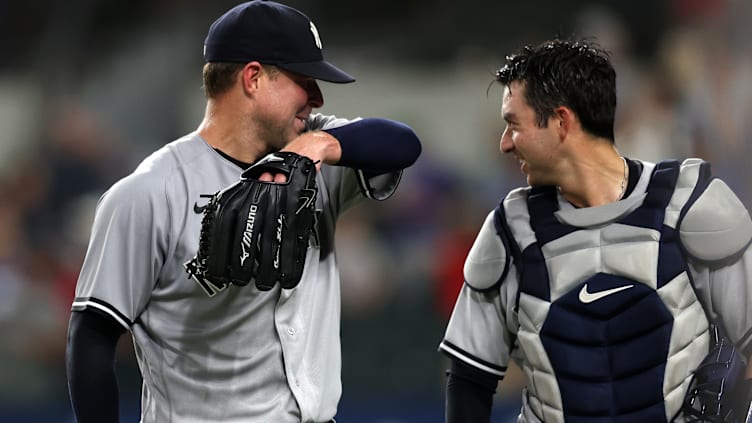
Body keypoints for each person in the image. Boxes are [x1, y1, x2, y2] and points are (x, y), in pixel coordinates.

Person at [65, 1, 421, 422]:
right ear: (253, 78)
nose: (316, 97)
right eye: (303, 79)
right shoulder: (150, 192)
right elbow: (92, 338)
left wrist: (322, 145)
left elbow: (403, 144)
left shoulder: (316, 157)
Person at [438, 38, 752, 422]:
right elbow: (470, 378)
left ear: (562, 122)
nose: (504, 144)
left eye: (513, 125)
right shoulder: (509, 233)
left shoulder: (690, 207)